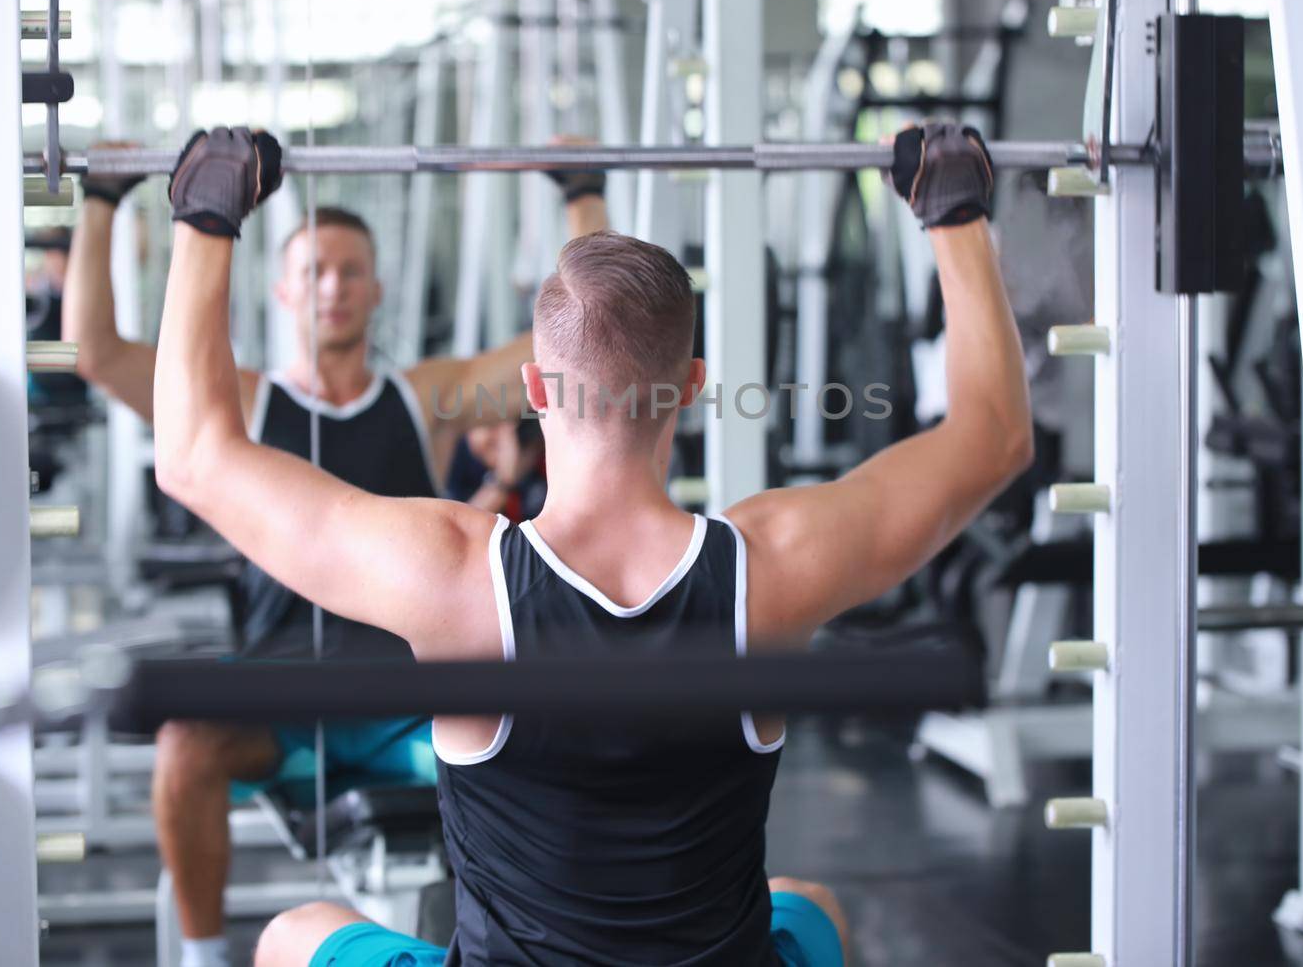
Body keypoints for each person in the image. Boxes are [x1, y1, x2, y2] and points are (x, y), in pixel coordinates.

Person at [150, 122, 1031, 967]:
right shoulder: (773, 564)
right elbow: (993, 437)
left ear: (532, 388)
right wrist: (953, 214)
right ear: (691, 387)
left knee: (292, 934)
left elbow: (194, 458)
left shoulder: (452, 575)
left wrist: (205, 218)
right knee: (808, 907)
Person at [63, 136, 607, 967]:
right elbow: (96, 353)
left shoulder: (425, 399)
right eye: (314, 270)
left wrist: (581, 192)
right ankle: (206, 959)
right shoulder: (242, 402)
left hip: (409, 702)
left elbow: (585, 350)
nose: (333, 287)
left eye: (351, 272)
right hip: (282, 700)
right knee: (185, 745)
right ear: (283, 288)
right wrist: (101, 203)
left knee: (544, 742)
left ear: (378, 290)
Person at [444, 417, 547, 522]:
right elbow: (460, 524)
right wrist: (502, 479)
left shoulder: (541, 473)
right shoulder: (464, 460)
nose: (508, 442)